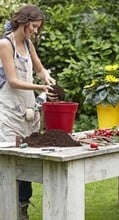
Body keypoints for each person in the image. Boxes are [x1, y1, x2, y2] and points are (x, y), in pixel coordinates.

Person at [0, 4, 56, 220]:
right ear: (23, 23)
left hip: (27, 110)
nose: (35, 31)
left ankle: (21, 208)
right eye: (33, 26)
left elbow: (39, 69)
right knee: (8, 161)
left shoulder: (28, 43)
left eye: (38, 27)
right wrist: (40, 89)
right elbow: (13, 81)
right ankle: (7, 209)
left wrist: (46, 77)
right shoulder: (6, 44)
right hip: (9, 110)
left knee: (28, 159)